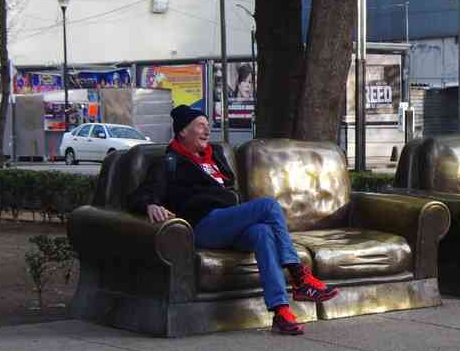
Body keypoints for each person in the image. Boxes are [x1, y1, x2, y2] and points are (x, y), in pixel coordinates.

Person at [128, 105, 338, 335]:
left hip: (230, 222)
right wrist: (151, 204)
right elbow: (139, 194)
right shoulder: (169, 163)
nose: (206, 131)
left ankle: (281, 311)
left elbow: (230, 191)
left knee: (262, 233)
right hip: (204, 225)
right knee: (268, 205)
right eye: (200, 125)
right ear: (182, 132)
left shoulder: (215, 156)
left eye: (208, 126)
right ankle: (299, 276)